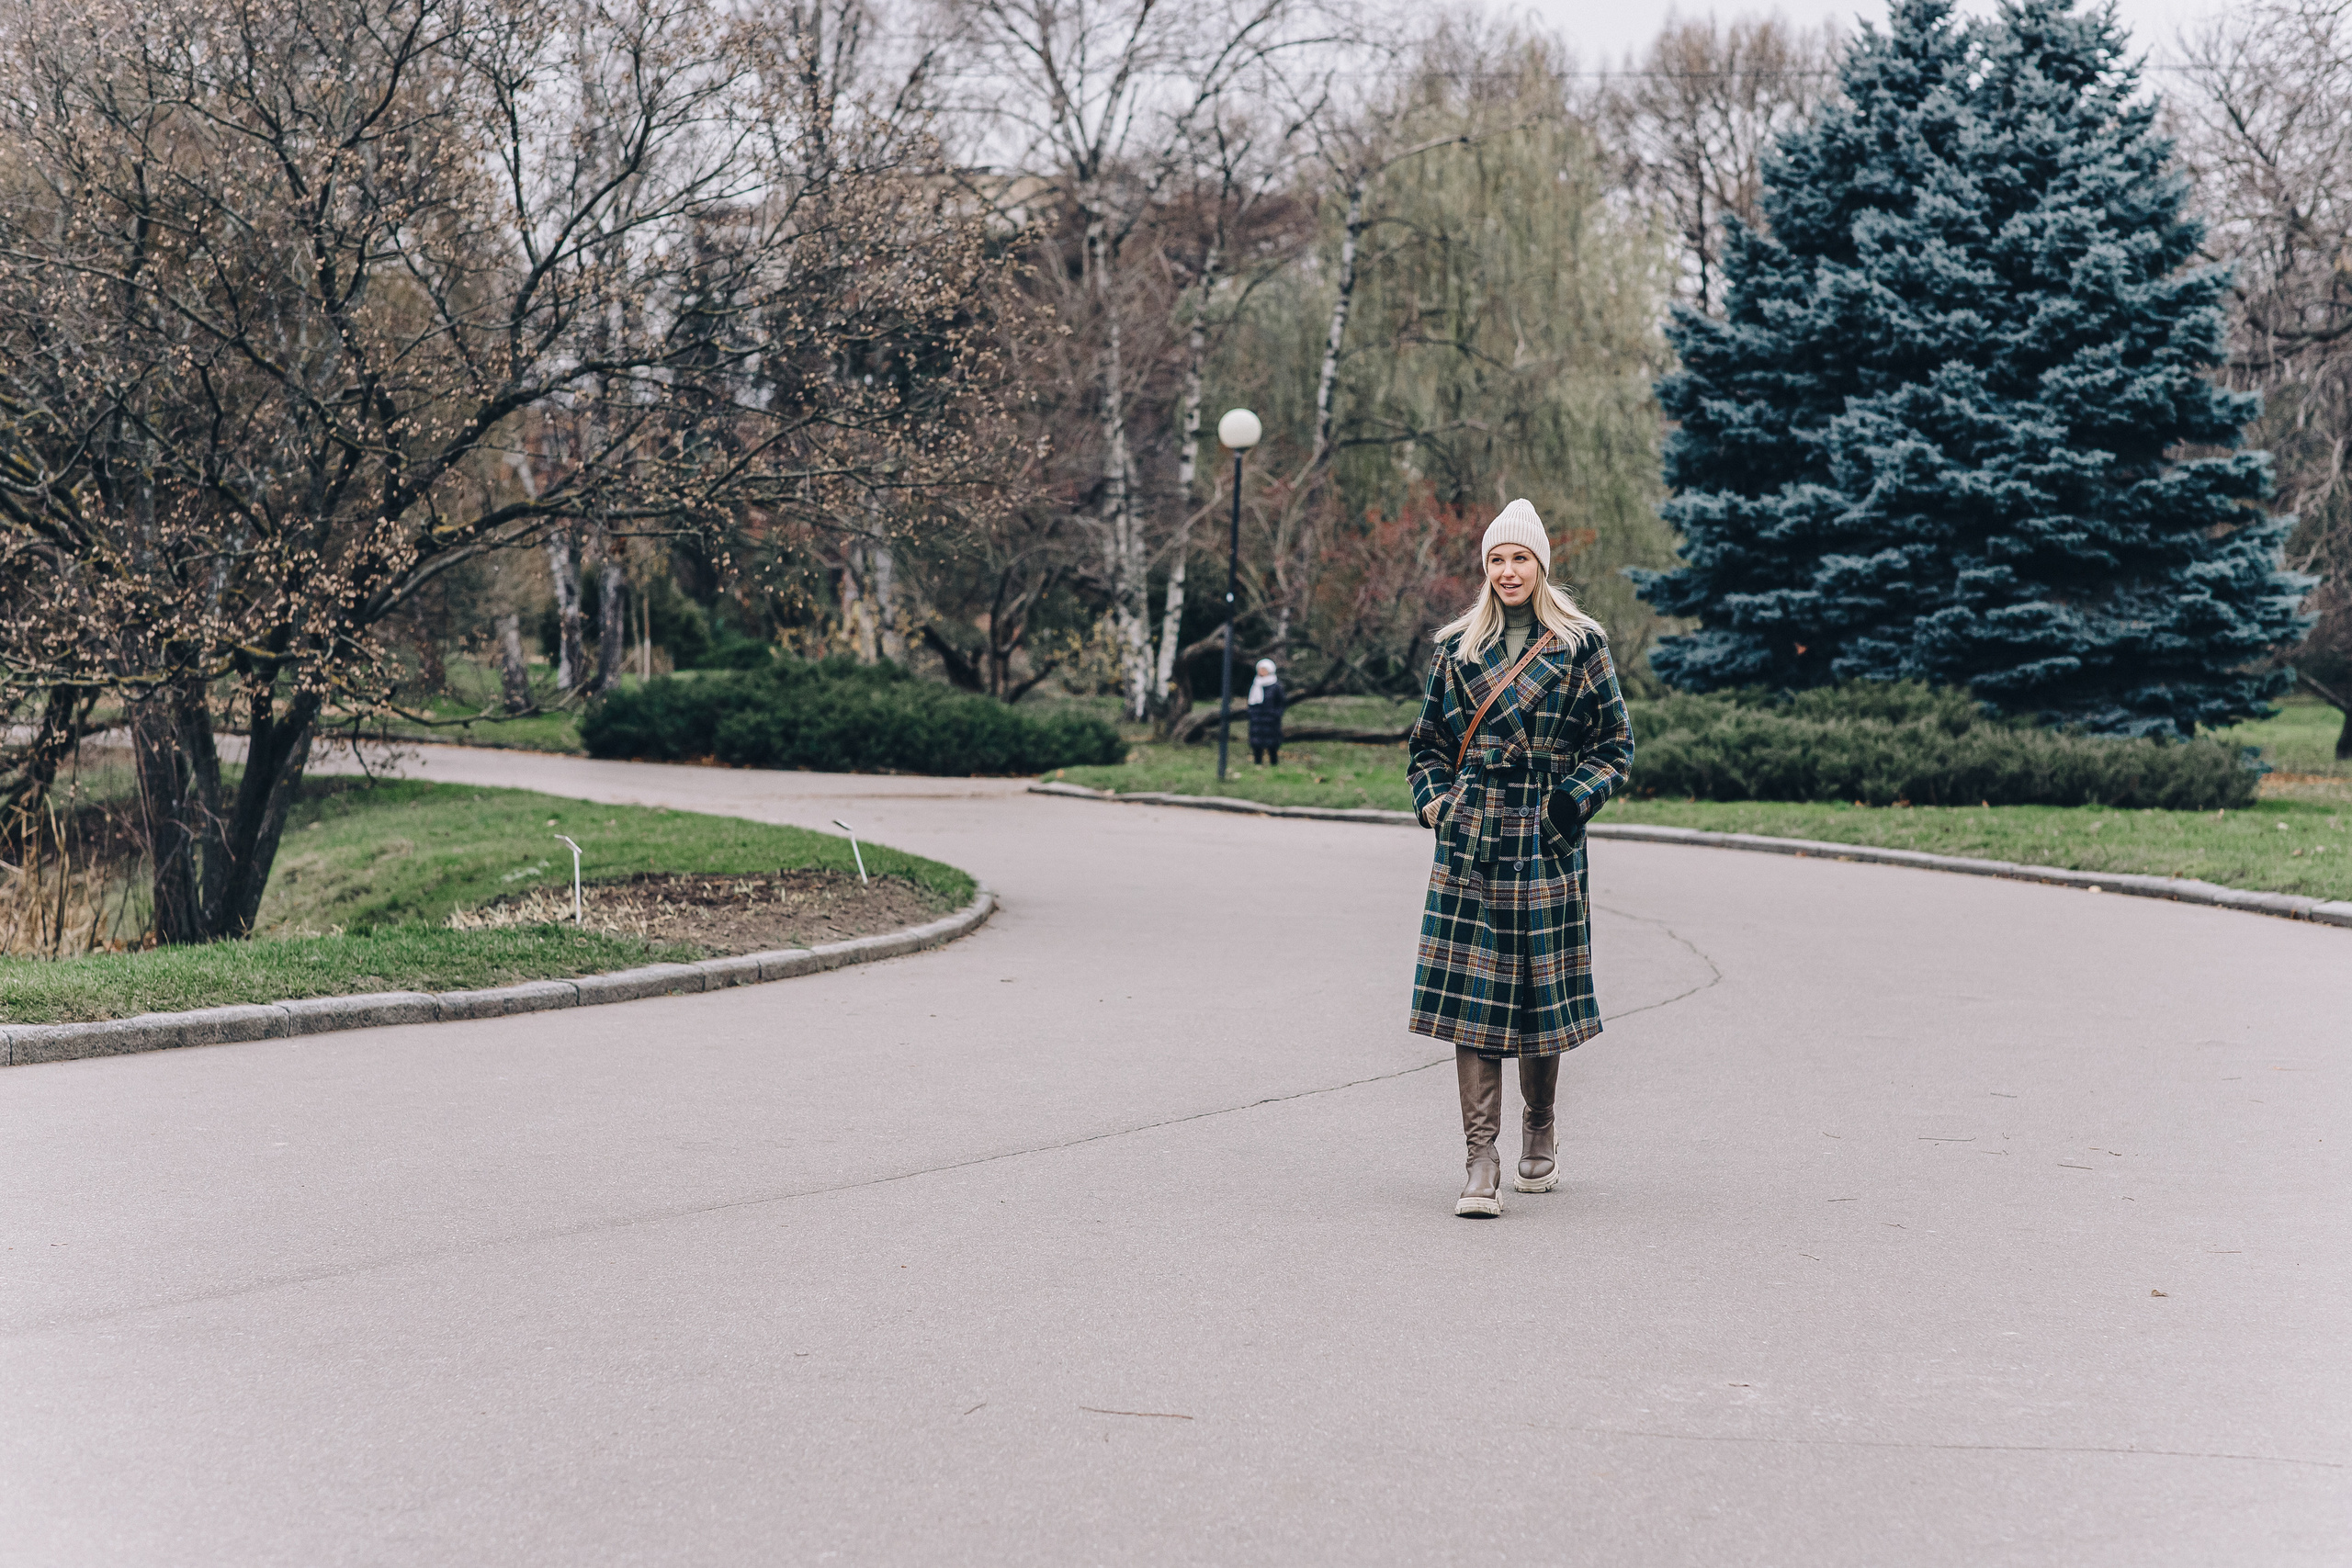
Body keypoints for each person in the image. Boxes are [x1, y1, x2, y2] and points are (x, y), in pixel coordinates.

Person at [1405, 498, 1634, 1218]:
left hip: (1545, 834)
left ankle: (1540, 1122)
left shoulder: (1580, 645)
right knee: (1476, 1001)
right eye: (1497, 559)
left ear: (1541, 565)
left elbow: (1614, 745)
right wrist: (1438, 804)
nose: (1508, 570)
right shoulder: (1456, 650)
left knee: (1540, 992)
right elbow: (1426, 749)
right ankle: (1480, 1159)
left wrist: (1571, 803)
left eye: (1520, 558)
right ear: (1486, 569)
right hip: (1472, 837)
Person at [1247, 658, 1285, 766]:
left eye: (1264, 669)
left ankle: (1274, 763)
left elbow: (1281, 702)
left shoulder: (1276, 686)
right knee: (1257, 743)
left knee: (1272, 743)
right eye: (1260, 669)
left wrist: (1276, 714)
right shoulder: (1256, 684)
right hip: (1257, 719)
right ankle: (1257, 762)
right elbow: (1251, 701)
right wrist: (1252, 713)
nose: (1261, 672)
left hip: (1271, 720)